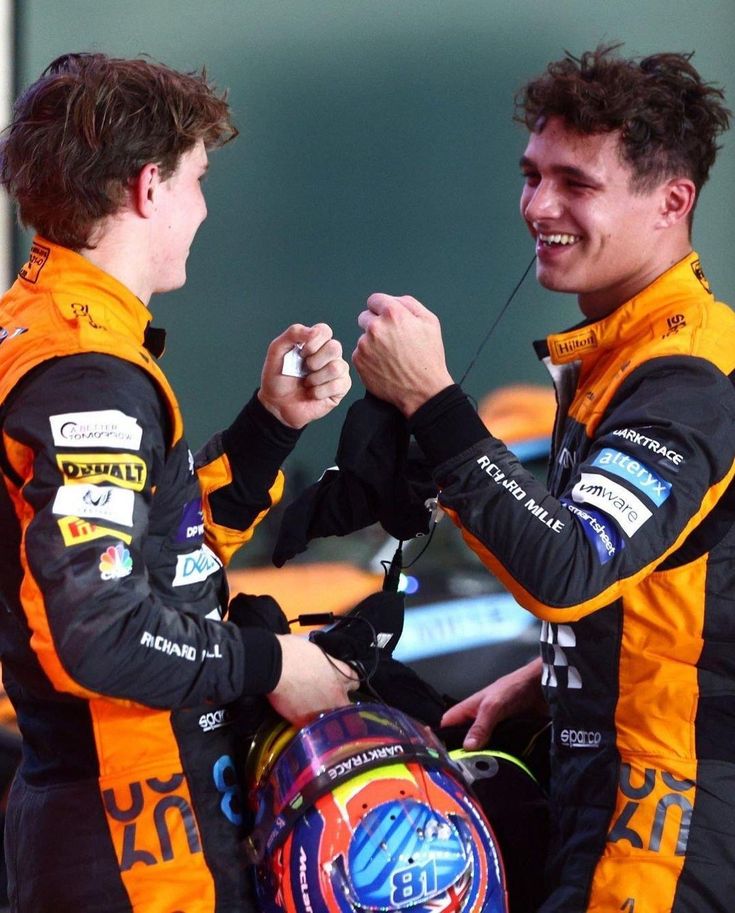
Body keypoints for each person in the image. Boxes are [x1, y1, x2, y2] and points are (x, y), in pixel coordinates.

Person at [353, 45, 734, 913]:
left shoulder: (684, 377)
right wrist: (565, 674)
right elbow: (678, 586)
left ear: (672, 201)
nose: (538, 207)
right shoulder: (623, 353)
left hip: (664, 822)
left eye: (576, 183)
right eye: (531, 176)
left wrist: (433, 403)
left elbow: (568, 569)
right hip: (615, 787)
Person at [0, 53, 356, 913]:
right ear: (148, 187)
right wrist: (273, 661)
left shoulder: (52, 330)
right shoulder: (86, 374)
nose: (203, 207)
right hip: (133, 841)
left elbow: (160, 554)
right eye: (198, 179)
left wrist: (269, 427)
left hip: (123, 824)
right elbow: (99, 634)